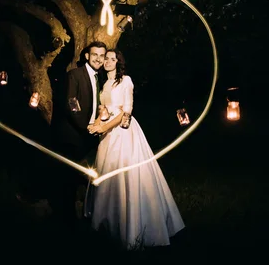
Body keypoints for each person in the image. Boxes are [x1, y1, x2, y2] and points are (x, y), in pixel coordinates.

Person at [85, 49, 185, 249]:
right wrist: (95, 124)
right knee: (107, 172)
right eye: (106, 58)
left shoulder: (126, 80)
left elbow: (125, 111)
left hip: (123, 132)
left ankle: (133, 227)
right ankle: (108, 222)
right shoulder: (104, 84)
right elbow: (104, 110)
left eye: (113, 59)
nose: (108, 61)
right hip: (107, 135)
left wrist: (103, 127)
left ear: (118, 62)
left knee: (127, 174)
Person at [49, 40, 107, 231]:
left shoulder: (101, 79)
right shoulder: (75, 75)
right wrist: (86, 126)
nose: (98, 59)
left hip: (88, 136)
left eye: (102, 55)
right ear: (87, 57)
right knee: (68, 179)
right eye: (95, 55)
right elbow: (72, 103)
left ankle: (87, 212)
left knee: (82, 175)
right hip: (72, 134)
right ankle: (66, 220)